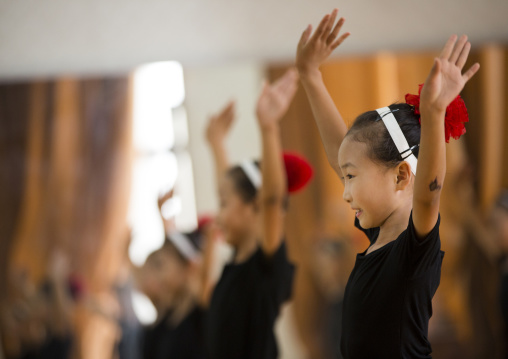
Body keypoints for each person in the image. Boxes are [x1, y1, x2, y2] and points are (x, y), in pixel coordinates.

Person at [296, 8, 480, 358]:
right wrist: (310, 76)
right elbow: (341, 153)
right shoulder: (379, 235)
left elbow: (428, 194)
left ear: (400, 176)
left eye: (351, 178)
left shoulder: (413, 247)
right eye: (345, 177)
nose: (345, 191)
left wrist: (435, 112)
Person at [205, 69, 312, 359]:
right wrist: (216, 144)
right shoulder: (234, 266)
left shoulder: (263, 267)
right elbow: (231, 189)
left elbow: (272, 201)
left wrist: (268, 127)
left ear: (255, 208)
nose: (217, 216)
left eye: (224, 205)